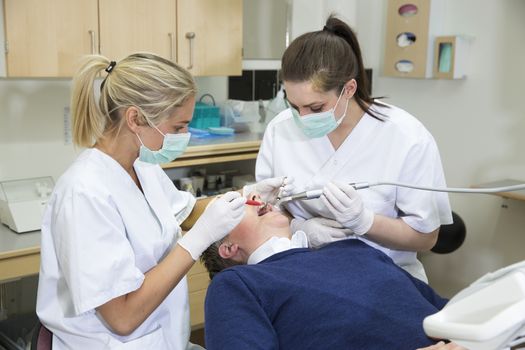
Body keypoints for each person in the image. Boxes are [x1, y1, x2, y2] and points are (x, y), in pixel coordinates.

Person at [35, 53, 254, 350]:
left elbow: (187, 213)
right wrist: (197, 241)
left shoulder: (142, 166)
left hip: (162, 338)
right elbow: (122, 317)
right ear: (136, 119)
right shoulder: (84, 192)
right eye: (178, 127)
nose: (185, 136)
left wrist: (250, 195)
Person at [256, 15, 452, 282]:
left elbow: (426, 237)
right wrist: (298, 227)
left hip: (383, 281)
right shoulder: (280, 130)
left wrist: (365, 222)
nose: (302, 118)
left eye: (315, 108)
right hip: (301, 277)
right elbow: (265, 211)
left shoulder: (406, 136)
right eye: (294, 106)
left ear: (349, 88)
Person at [201, 194, 458, 350]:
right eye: (233, 204)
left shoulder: (353, 248)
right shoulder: (238, 284)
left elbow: (454, 313)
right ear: (228, 248)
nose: (252, 197)